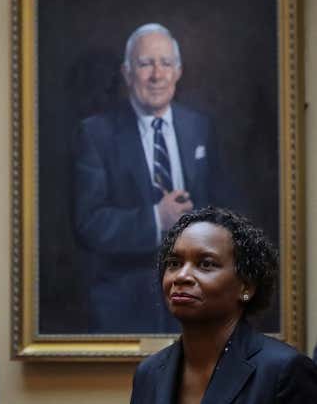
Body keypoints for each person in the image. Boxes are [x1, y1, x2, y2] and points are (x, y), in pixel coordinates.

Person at [73, 23, 229, 332]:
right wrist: (157, 219)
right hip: (124, 303)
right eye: (146, 64)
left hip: (199, 299)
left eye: (165, 63)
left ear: (178, 71)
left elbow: (222, 205)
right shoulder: (95, 134)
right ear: (127, 73)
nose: (157, 74)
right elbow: (88, 224)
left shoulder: (199, 126)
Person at [130, 207, 317, 403]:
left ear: (246, 286)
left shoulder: (284, 370)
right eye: (174, 263)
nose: (182, 276)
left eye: (206, 264)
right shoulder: (148, 373)